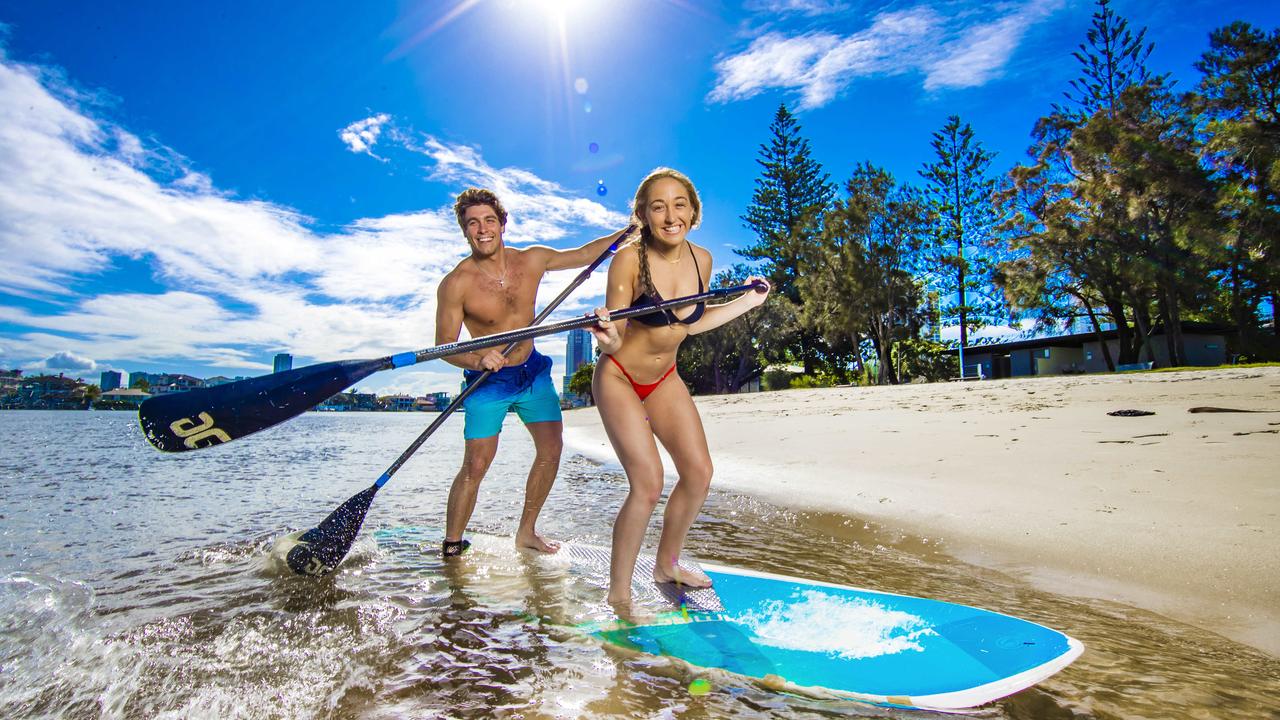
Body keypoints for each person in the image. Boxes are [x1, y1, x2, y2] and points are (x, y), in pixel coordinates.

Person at [588, 168, 770, 605]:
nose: (670, 215)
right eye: (658, 206)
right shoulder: (628, 260)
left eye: (679, 204)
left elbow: (693, 323)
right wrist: (607, 335)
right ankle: (619, 596)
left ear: (693, 210)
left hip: (664, 378)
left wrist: (747, 300)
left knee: (699, 473)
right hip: (619, 378)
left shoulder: (701, 260)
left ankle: (667, 564)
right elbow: (615, 336)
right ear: (644, 216)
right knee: (648, 484)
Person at [436, 187, 633, 557]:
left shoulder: (532, 260)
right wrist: (478, 357)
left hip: (533, 373)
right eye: (473, 223)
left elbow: (585, 255)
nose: (482, 230)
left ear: (503, 224)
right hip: (487, 382)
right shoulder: (455, 284)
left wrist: (626, 232)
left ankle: (526, 532)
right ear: (464, 231)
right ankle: (451, 543)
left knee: (551, 449)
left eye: (489, 221)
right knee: (476, 465)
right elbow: (445, 344)